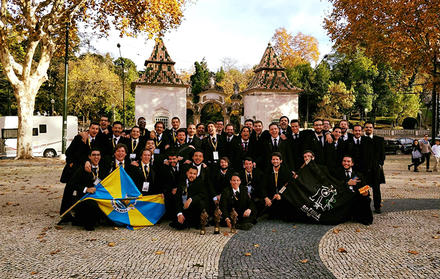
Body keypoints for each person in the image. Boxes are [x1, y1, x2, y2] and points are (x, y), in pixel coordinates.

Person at [61, 148, 109, 230]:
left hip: (99, 196)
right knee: (90, 206)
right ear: (89, 157)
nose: (96, 157)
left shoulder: (104, 169)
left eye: (98, 155)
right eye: (94, 155)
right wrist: (86, 189)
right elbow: (72, 184)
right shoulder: (82, 169)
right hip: (85, 197)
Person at [337, 155, 373, 225]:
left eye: (348, 161)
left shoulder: (359, 175)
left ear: (352, 164)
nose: (346, 163)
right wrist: (347, 183)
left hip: (356, 196)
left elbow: (365, 187)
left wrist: (366, 193)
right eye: (344, 161)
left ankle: (365, 219)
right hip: (343, 197)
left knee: (366, 198)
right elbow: (336, 186)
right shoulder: (337, 173)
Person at [261, 152, 292, 220]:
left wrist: (281, 195)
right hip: (271, 196)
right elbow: (263, 187)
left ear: (281, 161)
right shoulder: (267, 171)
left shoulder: (286, 171)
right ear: (271, 161)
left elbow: (288, 187)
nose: (275, 161)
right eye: (273, 159)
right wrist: (266, 198)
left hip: (281, 196)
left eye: (277, 159)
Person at [364, 122, 385, 214]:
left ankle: (377, 206)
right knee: (364, 189)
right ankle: (364, 207)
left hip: (376, 169)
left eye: (370, 127)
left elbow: (382, 154)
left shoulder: (379, 140)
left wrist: (380, 164)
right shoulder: (361, 139)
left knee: (376, 189)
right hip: (364, 169)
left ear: (373, 128)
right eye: (367, 127)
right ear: (364, 128)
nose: (368, 129)